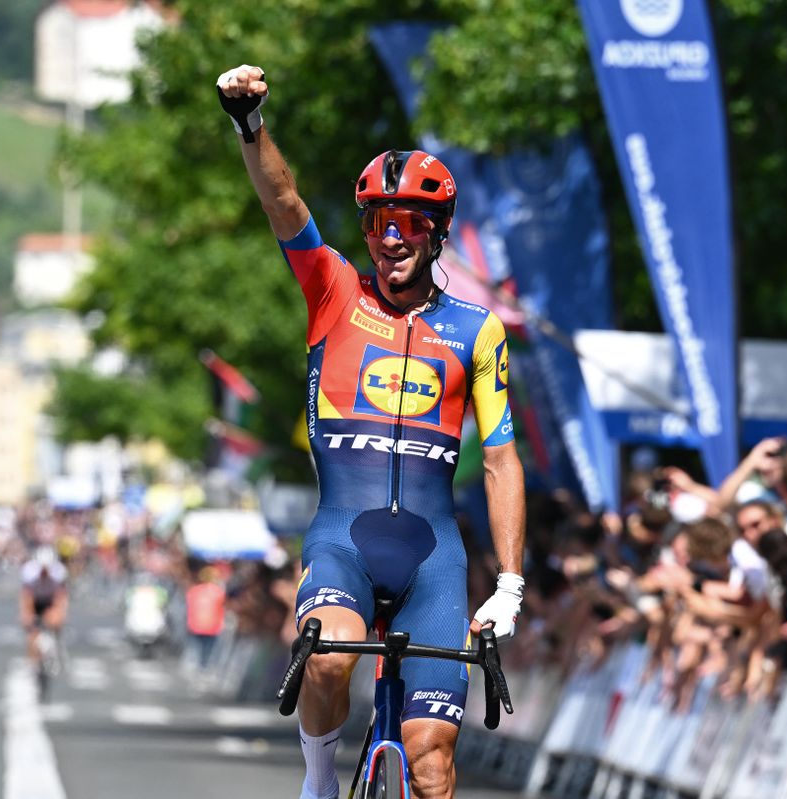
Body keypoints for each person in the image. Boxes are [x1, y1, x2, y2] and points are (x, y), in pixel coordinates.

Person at [217, 64, 528, 799]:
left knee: (432, 768)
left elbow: (502, 459)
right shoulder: (333, 289)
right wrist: (250, 124)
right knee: (326, 660)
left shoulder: (477, 331)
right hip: (343, 537)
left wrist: (510, 583)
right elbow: (284, 200)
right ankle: (320, 780)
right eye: (379, 223)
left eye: (411, 223)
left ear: (438, 232)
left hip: (433, 556)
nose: (392, 238)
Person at [19, 546, 69, 669]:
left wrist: (59, 614)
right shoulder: (29, 571)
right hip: (35, 599)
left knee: (54, 621)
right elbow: (26, 596)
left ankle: (56, 644)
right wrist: (26, 615)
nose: (44, 572)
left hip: (51, 599)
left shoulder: (59, 572)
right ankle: (32, 662)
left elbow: (61, 597)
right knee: (31, 630)